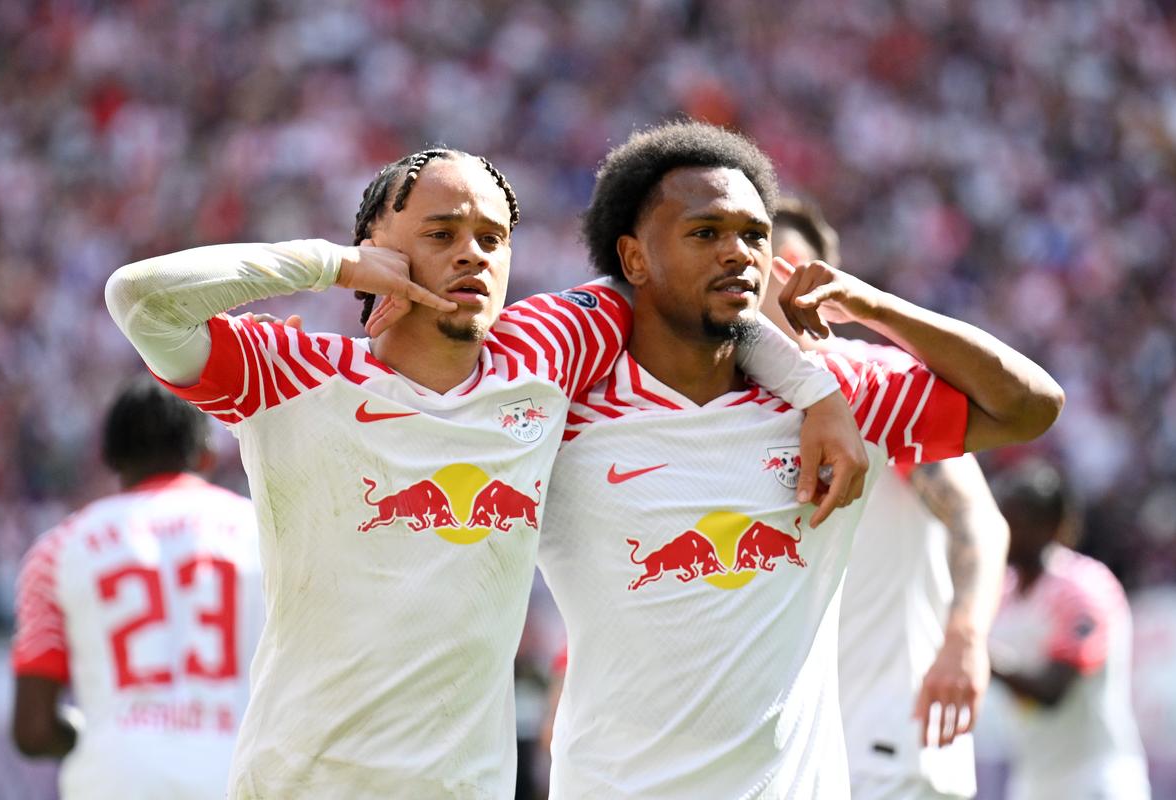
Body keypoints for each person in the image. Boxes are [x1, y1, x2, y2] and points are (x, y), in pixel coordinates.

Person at [105, 147, 862, 797]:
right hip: (306, 780)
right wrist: (331, 264)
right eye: (442, 233)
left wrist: (814, 390)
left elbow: (687, 298)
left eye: (493, 237)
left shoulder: (548, 350)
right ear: (379, 245)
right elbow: (139, 299)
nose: (473, 253)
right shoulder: (294, 374)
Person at [537, 121, 1064, 798]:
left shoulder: (845, 397)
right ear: (635, 259)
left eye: (753, 236)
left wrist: (874, 306)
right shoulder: (563, 409)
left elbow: (1031, 406)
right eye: (706, 233)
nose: (739, 255)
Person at [764, 198, 1010, 800]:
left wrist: (966, 638)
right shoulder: (738, 414)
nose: (778, 277)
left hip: (893, 735)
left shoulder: (871, 392)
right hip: (801, 756)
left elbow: (978, 520)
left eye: (793, 262)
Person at [10, 374, 263, 799]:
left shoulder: (57, 551)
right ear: (205, 454)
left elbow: (33, 731)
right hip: (238, 773)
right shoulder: (264, 534)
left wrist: (93, 736)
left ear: (109, 457)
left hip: (114, 779)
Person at [989, 459, 1150, 800]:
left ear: (1050, 525)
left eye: (1013, 520)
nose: (1001, 530)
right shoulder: (1001, 592)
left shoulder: (1084, 589)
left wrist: (973, 651)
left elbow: (1053, 691)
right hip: (1033, 782)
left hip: (1095, 781)